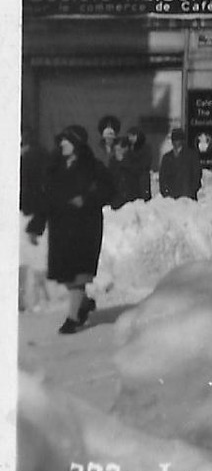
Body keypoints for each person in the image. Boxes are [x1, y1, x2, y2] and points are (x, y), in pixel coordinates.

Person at [27, 126, 111, 335]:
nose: (62, 144)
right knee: (66, 275)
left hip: (85, 228)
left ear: (77, 144)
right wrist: (36, 226)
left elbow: (110, 189)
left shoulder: (93, 167)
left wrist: (86, 199)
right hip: (62, 230)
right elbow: (46, 199)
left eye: (66, 141)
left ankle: (73, 318)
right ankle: (83, 304)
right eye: (61, 141)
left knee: (78, 275)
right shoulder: (55, 168)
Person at [157, 128, 203, 200]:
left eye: (177, 140)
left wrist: (192, 191)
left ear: (182, 141)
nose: (175, 142)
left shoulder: (191, 155)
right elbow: (162, 177)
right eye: (174, 140)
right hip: (171, 197)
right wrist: (165, 193)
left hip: (188, 196)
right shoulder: (167, 157)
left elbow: (196, 174)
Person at [107, 134, 150, 208]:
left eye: (120, 149)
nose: (118, 152)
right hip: (116, 201)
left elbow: (142, 179)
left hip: (133, 201)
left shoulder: (135, 161)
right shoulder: (112, 163)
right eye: (116, 150)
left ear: (126, 148)